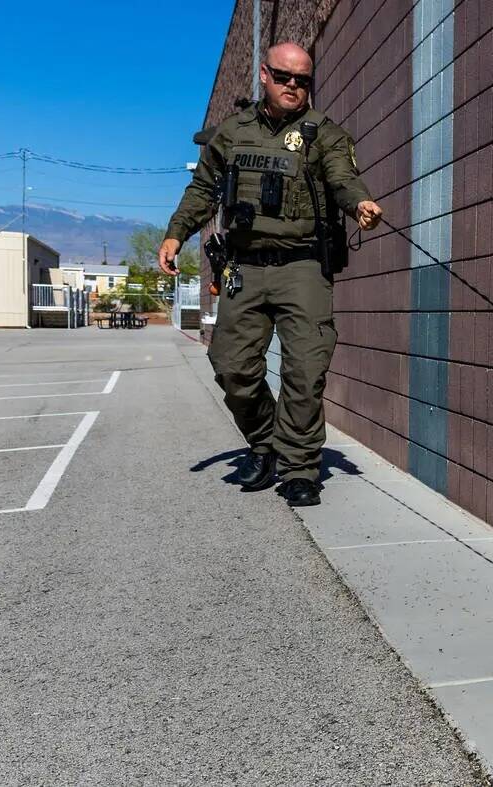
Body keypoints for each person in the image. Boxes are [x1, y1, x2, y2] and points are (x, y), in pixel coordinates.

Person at [159, 42, 382, 506]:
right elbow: (203, 188)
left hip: (302, 267)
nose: (293, 87)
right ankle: (266, 443)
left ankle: (300, 467)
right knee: (231, 366)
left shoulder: (324, 134)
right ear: (265, 75)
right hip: (245, 266)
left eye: (303, 80)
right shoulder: (232, 133)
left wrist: (358, 202)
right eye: (284, 77)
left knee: (305, 371)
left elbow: (342, 177)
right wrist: (176, 234)